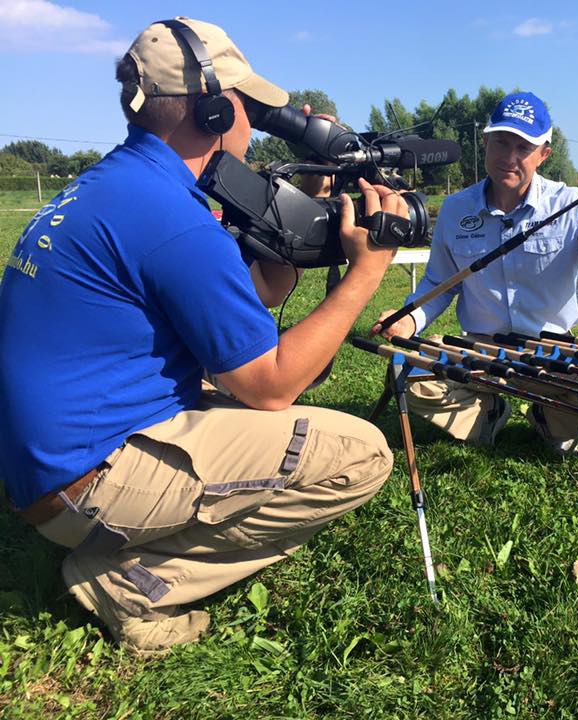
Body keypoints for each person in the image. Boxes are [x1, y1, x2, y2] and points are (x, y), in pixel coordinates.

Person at [0, 17, 402, 653]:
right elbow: (267, 385)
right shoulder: (172, 219)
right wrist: (365, 274)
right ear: (214, 109)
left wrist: (298, 205)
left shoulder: (118, 185)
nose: (252, 124)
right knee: (361, 455)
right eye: (249, 108)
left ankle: (119, 543)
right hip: (87, 485)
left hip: (44, 470)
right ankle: (132, 582)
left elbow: (251, 299)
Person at [375, 91, 578, 454]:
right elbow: (438, 285)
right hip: (476, 349)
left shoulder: (572, 205)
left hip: (555, 352)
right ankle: (489, 414)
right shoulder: (455, 209)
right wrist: (408, 320)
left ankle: (551, 418)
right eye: (501, 143)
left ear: (543, 154)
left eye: (523, 148)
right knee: (406, 373)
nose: (509, 158)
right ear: (485, 142)